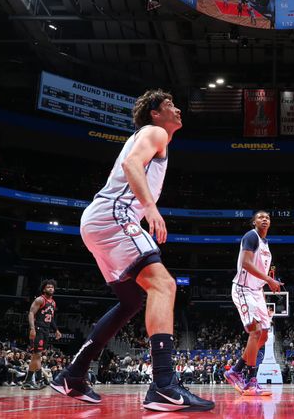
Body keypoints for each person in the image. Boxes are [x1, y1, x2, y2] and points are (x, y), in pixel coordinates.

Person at [50, 90, 213, 412]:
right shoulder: (155, 132)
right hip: (115, 214)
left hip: (99, 220)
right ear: (154, 113)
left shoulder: (154, 136)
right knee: (164, 285)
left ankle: (73, 375)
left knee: (132, 300)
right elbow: (130, 163)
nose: (178, 109)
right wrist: (150, 208)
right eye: (170, 105)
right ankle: (164, 385)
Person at [224, 211, 283, 397]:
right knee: (255, 332)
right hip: (243, 289)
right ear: (254, 222)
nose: (265, 219)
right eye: (260, 217)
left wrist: (263, 298)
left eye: (267, 217)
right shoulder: (251, 236)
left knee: (264, 336)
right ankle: (251, 381)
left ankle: (235, 370)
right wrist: (270, 280)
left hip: (257, 293)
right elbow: (246, 264)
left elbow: (258, 277)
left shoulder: (266, 244)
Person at [24, 279, 61, 389]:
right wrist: (32, 328)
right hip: (38, 329)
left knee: (37, 356)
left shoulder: (53, 302)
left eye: (52, 287)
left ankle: (33, 381)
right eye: (48, 287)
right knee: (37, 355)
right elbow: (31, 313)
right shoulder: (40, 299)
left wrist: (56, 330)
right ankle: (33, 380)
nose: (51, 288)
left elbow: (51, 318)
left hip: (46, 330)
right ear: (44, 289)